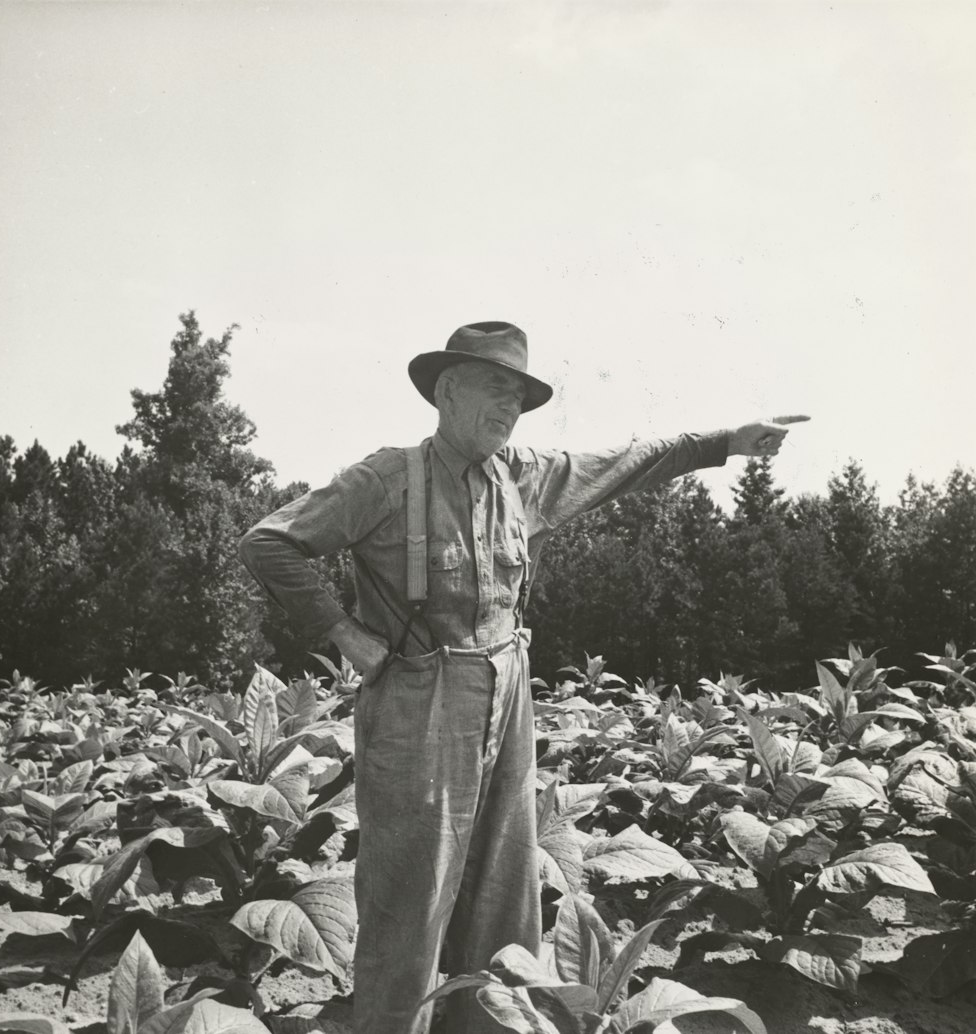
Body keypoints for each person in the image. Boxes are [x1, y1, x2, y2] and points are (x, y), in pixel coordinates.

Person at [239, 321, 809, 1034]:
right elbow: (270, 542)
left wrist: (727, 441)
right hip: (421, 692)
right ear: (446, 391)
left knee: (508, 885)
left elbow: (627, 460)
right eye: (494, 389)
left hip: (507, 691)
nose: (508, 410)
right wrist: (345, 634)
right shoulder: (385, 480)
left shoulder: (525, 475)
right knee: (411, 893)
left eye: (519, 397)